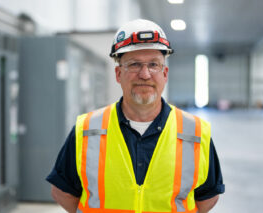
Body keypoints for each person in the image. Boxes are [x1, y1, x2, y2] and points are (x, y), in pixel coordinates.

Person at [46, 19, 225, 213]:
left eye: (153, 65)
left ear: (165, 74)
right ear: (118, 74)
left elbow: (208, 197)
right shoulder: (88, 129)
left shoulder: (195, 132)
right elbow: (62, 191)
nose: (145, 74)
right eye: (134, 65)